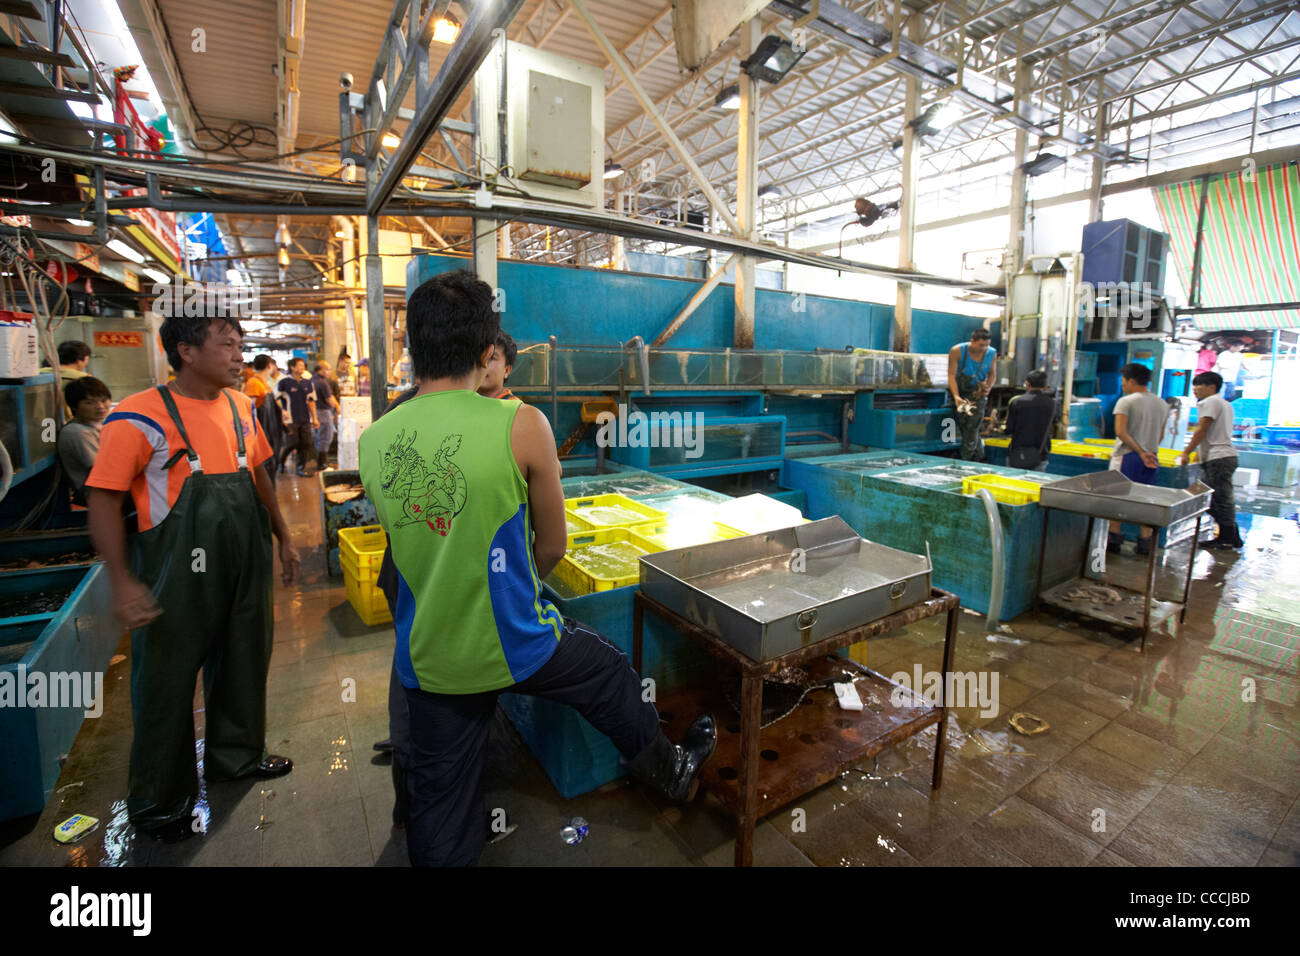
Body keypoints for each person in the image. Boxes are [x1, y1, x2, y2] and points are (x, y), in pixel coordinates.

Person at [358, 270, 715, 867]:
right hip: (515, 640)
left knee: (440, 816)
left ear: (411, 349)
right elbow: (552, 546)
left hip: (430, 654)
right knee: (606, 673)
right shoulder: (521, 425)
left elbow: (410, 547)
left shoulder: (375, 440)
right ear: (483, 351)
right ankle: (673, 772)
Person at [84, 310, 300, 842]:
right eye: (227, 345)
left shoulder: (240, 406)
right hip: (177, 570)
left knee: (245, 657)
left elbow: (257, 473)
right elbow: (103, 498)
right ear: (186, 350)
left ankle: (236, 757)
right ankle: (161, 802)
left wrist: (283, 534)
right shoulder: (138, 416)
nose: (238, 355)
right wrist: (122, 580)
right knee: (166, 682)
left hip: (243, 561)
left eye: (241, 344)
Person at [1108, 363, 1167, 555]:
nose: (1122, 384)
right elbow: (1160, 434)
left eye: (1123, 381)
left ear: (1131, 380)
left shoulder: (1126, 401)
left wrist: (1140, 452)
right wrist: (1148, 452)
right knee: (1146, 499)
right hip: (1151, 457)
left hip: (1127, 456)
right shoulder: (1161, 403)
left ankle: (1113, 540)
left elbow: (1121, 432)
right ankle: (1145, 542)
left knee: (1117, 499)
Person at [1180, 371, 1242, 549]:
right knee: (1218, 498)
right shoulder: (1224, 404)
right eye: (1194, 386)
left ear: (1212, 387)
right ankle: (1231, 536)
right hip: (1224, 456)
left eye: (1200, 386)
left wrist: (1187, 452)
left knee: (1214, 499)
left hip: (1219, 458)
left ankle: (1228, 537)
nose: (1195, 390)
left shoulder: (1210, 402)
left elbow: (1202, 429)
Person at [57, 376, 111, 505]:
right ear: (74, 406)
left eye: (104, 400)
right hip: (96, 492)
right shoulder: (77, 432)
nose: (100, 407)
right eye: (89, 403)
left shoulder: (98, 424)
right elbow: (103, 469)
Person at [947, 328, 997, 461]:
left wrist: (987, 389)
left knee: (972, 428)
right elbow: (951, 375)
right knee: (964, 426)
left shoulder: (991, 353)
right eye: (981, 345)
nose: (984, 348)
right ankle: (980, 457)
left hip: (977, 395)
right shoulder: (957, 351)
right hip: (960, 393)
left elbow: (992, 374)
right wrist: (956, 396)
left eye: (987, 345)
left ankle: (966, 461)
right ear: (972, 341)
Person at [1003, 369, 1056, 470]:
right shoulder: (1052, 404)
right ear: (1045, 386)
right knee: (1035, 484)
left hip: (1017, 454)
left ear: (1027, 384)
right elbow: (1053, 424)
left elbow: (1009, 428)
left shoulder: (1016, 402)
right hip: (1040, 454)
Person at [277, 357, 317, 476]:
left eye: (303, 365)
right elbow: (275, 398)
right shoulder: (284, 382)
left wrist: (315, 418)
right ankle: (281, 462)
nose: (302, 367)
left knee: (306, 443)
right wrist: (282, 411)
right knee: (292, 443)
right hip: (290, 420)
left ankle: (301, 468)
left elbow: (311, 401)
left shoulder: (308, 383)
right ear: (292, 367)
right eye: (299, 365)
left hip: (305, 418)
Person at [311, 360, 340, 473]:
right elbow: (330, 400)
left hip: (316, 412)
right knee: (326, 437)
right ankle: (322, 464)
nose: (329, 371)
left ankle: (320, 461)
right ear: (320, 369)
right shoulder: (323, 382)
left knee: (319, 437)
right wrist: (337, 407)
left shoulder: (312, 380)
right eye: (327, 369)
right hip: (323, 412)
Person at [477, 330, 518, 401]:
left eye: (491, 358)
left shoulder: (517, 410)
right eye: (478, 356)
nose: (482, 362)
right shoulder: (461, 404)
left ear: (507, 370)